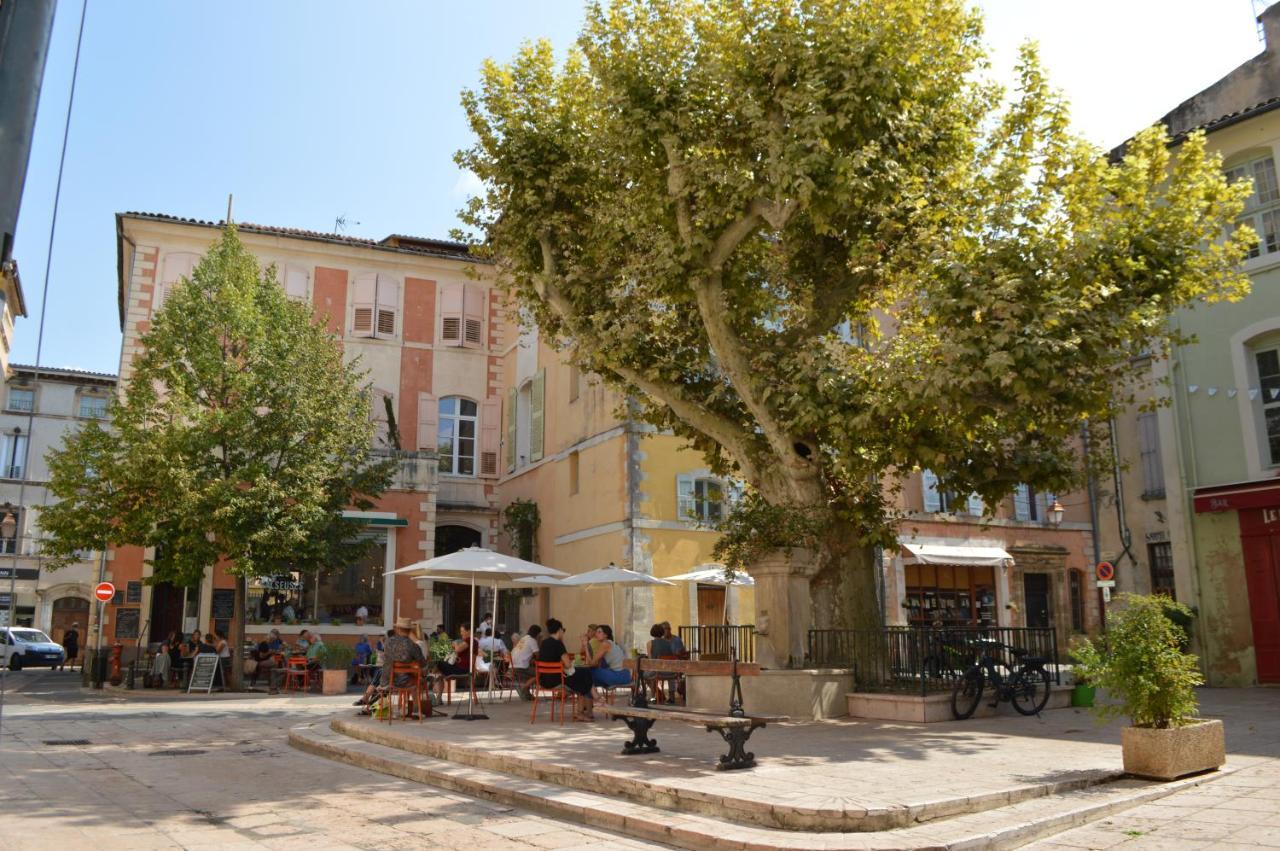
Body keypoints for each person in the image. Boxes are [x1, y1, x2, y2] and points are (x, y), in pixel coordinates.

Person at [356, 617, 425, 711]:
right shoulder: (413, 646)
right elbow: (423, 663)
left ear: (398, 629)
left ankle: (371, 702)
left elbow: (386, 658)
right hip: (404, 682)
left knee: (383, 671)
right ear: (409, 630)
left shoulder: (388, 642)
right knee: (415, 681)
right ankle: (416, 710)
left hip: (387, 680)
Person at [539, 618, 595, 721]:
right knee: (583, 677)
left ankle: (593, 700)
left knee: (582, 675)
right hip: (557, 680)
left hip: (543, 680)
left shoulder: (544, 643)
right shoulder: (558, 644)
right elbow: (568, 665)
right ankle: (581, 712)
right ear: (559, 630)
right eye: (563, 630)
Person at [431, 623, 477, 700]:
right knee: (439, 671)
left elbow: (458, 649)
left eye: (462, 631)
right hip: (461, 667)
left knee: (437, 663)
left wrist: (455, 644)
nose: (461, 633)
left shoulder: (470, 640)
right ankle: (435, 681)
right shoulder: (469, 641)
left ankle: (432, 680)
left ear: (469, 631)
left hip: (462, 669)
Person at [586, 624, 632, 690]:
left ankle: (592, 697)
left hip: (620, 675)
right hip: (625, 675)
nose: (596, 634)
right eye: (596, 632)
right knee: (589, 678)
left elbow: (592, 663)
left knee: (587, 674)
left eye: (599, 632)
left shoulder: (605, 644)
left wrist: (585, 647)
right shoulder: (610, 643)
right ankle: (593, 696)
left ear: (605, 635)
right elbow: (596, 664)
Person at [511, 625, 541, 700]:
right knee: (539, 673)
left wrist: (531, 659)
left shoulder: (523, 639)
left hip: (512, 666)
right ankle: (524, 687)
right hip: (521, 667)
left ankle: (527, 694)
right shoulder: (532, 640)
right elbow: (538, 656)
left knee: (530, 672)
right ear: (537, 634)